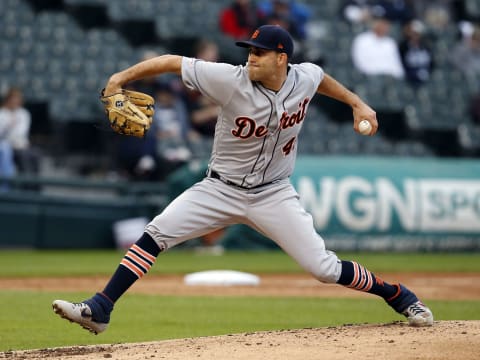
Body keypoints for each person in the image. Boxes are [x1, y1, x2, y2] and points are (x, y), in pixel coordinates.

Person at [52, 25, 433, 334]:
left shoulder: (304, 76)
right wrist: (121, 77)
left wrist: (357, 103)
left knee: (324, 269)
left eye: (259, 52)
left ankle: (396, 293)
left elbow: (321, 80)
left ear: (281, 58)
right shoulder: (228, 79)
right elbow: (171, 61)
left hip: (274, 195)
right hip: (219, 188)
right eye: (249, 50)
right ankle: (101, 308)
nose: (250, 57)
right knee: (157, 232)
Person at [0, 87, 39, 174]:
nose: (15, 101)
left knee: (35, 154)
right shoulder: (2, 113)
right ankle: (21, 184)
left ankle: (34, 185)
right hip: (6, 146)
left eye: (17, 99)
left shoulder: (24, 113)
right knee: (22, 156)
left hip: (21, 145)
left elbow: (21, 132)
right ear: (8, 99)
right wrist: (8, 125)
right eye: (12, 99)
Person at [398, 19, 435, 87]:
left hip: (425, 75)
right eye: (413, 33)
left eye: (417, 34)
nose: (415, 36)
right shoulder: (403, 46)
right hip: (409, 77)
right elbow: (401, 63)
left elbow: (432, 64)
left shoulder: (426, 46)